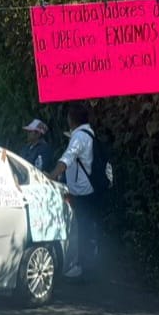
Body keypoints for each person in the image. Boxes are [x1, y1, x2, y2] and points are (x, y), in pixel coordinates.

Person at [51, 103, 99, 280]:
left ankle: (83, 269)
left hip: (82, 192)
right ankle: (87, 265)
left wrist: (52, 175)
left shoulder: (79, 136)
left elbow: (67, 158)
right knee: (87, 229)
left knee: (82, 229)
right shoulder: (89, 133)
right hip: (88, 190)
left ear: (72, 119)